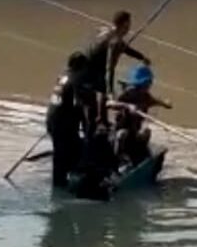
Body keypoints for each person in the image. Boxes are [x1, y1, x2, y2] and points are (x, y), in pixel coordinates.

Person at [84, 10, 150, 129]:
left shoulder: (109, 31)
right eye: (129, 23)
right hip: (91, 68)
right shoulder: (115, 41)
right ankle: (100, 122)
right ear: (124, 24)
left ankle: (100, 120)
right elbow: (109, 68)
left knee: (99, 92)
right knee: (102, 91)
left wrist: (141, 57)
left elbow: (124, 48)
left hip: (88, 63)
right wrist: (110, 91)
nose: (130, 27)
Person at [110, 64, 172, 166]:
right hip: (123, 132)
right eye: (147, 83)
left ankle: (143, 155)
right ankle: (117, 159)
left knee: (146, 132)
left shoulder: (145, 96)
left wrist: (164, 104)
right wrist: (128, 106)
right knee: (122, 134)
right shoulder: (127, 95)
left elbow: (154, 101)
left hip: (134, 132)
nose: (149, 85)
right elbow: (110, 104)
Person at [46, 52, 91, 187]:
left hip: (52, 119)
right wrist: (86, 126)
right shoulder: (75, 81)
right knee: (68, 153)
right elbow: (78, 106)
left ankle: (62, 181)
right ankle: (61, 185)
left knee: (62, 153)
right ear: (80, 67)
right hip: (63, 124)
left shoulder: (62, 77)